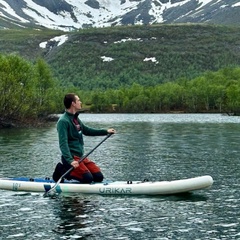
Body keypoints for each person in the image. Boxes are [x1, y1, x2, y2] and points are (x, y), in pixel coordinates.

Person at [53, 93, 116, 183]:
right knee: (88, 179)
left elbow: (87, 130)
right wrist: (70, 161)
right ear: (73, 103)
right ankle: (61, 169)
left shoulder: (75, 118)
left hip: (80, 157)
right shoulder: (63, 121)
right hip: (71, 158)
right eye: (78, 100)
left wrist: (105, 131)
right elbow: (63, 144)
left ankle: (79, 172)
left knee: (98, 177)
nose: (80, 102)